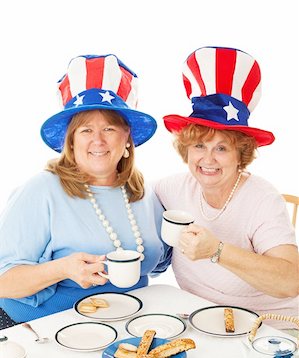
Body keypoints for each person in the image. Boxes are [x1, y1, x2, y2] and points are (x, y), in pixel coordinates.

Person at [0, 53, 171, 328]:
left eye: (109, 128)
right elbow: (3, 283)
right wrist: (61, 269)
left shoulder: (142, 192)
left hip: (123, 327)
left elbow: (162, 259)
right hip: (43, 329)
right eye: (86, 130)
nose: (98, 140)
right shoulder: (41, 190)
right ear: (70, 139)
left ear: (127, 136)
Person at [155, 46, 298, 327]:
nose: (207, 159)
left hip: (271, 326)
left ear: (240, 155)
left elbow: (291, 281)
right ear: (186, 149)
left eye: (222, 147)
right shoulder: (170, 189)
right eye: (199, 145)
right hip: (203, 323)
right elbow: (126, 196)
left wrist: (217, 250)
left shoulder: (261, 198)